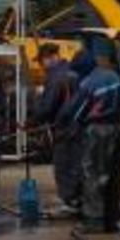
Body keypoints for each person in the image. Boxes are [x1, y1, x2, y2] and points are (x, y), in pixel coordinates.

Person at [58, 48, 120, 233]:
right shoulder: (115, 77)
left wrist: (63, 125)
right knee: (114, 177)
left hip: (97, 132)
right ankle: (111, 220)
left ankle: (94, 221)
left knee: (93, 176)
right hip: (117, 131)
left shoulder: (89, 83)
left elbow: (73, 112)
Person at [34, 43, 84, 213]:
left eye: (42, 62)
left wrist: (34, 115)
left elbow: (47, 107)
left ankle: (69, 201)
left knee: (62, 166)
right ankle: (78, 199)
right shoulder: (74, 73)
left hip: (63, 128)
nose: (42, 67)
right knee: (76, 164)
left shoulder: (55, 77)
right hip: (78, 127)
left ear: (49, 58)